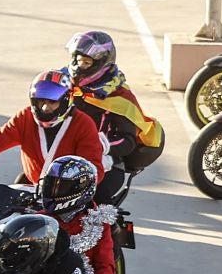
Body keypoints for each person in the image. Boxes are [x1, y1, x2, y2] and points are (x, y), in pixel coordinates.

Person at [0, 70, 108, 188]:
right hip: (34, 189)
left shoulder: (83, 124)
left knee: (95, 224)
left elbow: (93, 166)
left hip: (70, 194)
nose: (45, 107)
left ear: (65, 101)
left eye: (52, 102)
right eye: (40, 102)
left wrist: (75, 182)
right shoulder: (25, 117)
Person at [65, 31, 164, 204]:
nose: (78, 66)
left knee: (96, 201)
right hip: (63, 157)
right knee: (26, 184)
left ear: (102, 63)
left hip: (106, 163)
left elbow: (128, 142)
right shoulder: (66, 85)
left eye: (86, 62)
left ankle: (107, 229)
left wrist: (100, 145)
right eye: (76, 60)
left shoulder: (119, 97)